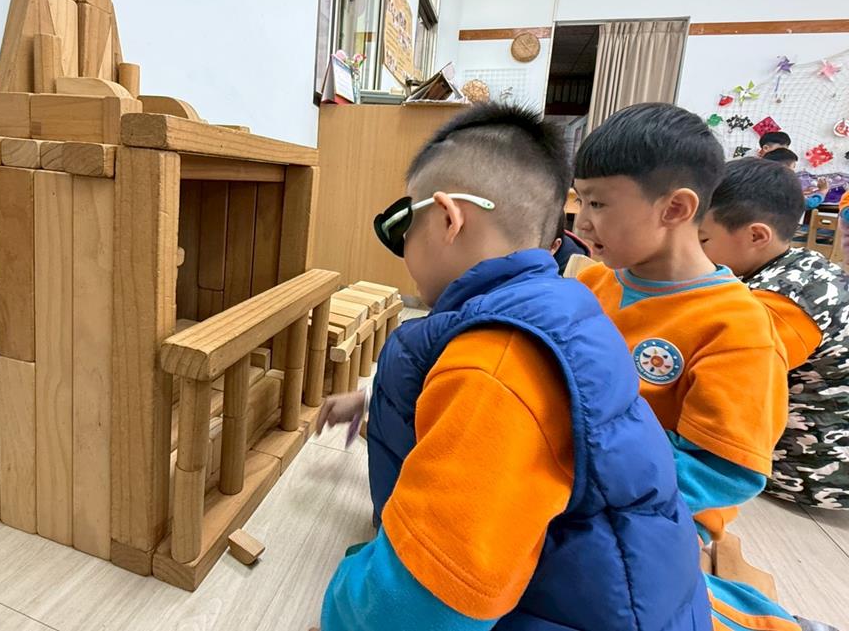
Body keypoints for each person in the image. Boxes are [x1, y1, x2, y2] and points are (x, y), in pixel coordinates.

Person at [316, 103, 709, 630]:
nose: (402, 245)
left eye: (404, 224)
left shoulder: (496, 363)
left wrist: (345, 603)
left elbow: (423, 607)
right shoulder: (549, 306)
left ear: (448, 218)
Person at [572, 103, 823, 631]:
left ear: (676, 208)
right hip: (571, 482)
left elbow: (726, 469)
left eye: (597, 203)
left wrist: (589, 489)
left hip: (658, 516)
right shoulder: (592, 283)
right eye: (579, 200)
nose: (582, 221)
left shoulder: (738, 326)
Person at [699, 158, 849, 510]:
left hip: (811, 467)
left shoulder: (784, 302)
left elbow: (728, 380)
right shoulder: (795, 265)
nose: (690, 248)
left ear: (756, 236)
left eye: (702, 238)